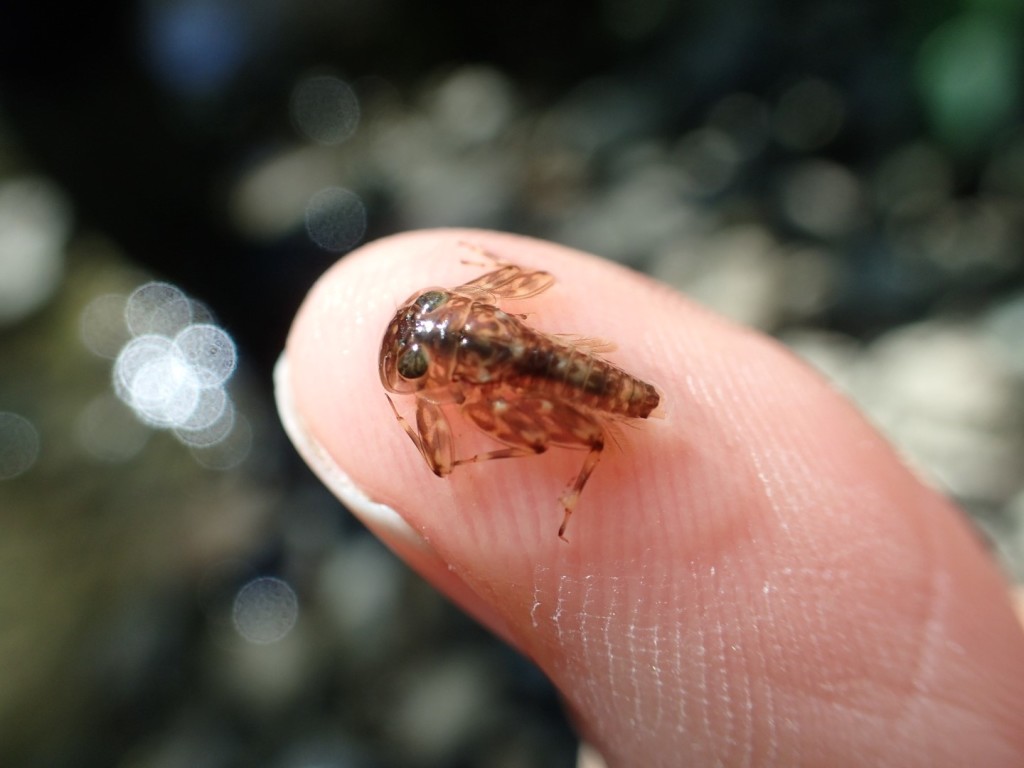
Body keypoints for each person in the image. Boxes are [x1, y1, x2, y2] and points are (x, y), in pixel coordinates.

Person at [277, 229, 1024, 767]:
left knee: (562, 445)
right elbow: (528, 284)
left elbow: (459, 460)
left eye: (415, 362)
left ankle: (578, 483)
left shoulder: (454, 392)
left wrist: (456, 434)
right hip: (563, 369)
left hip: (569, 394)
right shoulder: (481, 322)